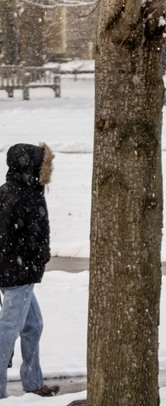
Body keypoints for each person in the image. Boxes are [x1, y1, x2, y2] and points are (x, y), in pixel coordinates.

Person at [0, 144, 55, 398]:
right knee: (8, 330)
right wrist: (38, 258)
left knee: (33, 325)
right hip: (18, 275)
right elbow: (34, 236)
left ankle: (33, 383)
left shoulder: (8, 191)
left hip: (16, 272)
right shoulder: (26, 195)